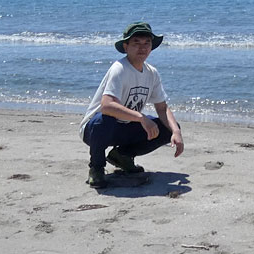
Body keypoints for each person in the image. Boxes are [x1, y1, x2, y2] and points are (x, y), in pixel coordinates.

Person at [79, 21, 184, 188]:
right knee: (104, 120)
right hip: (96, 130)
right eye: (136, 43)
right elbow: (107, 106)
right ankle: (96, 168)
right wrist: (141, 117)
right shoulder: (119, 68)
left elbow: (162, 108)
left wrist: (176, 132)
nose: (142, 48)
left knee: (167, 128)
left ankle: (122, 156)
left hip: (125, 127)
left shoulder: (152, 73)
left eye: (146, 43)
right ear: (126, 46)